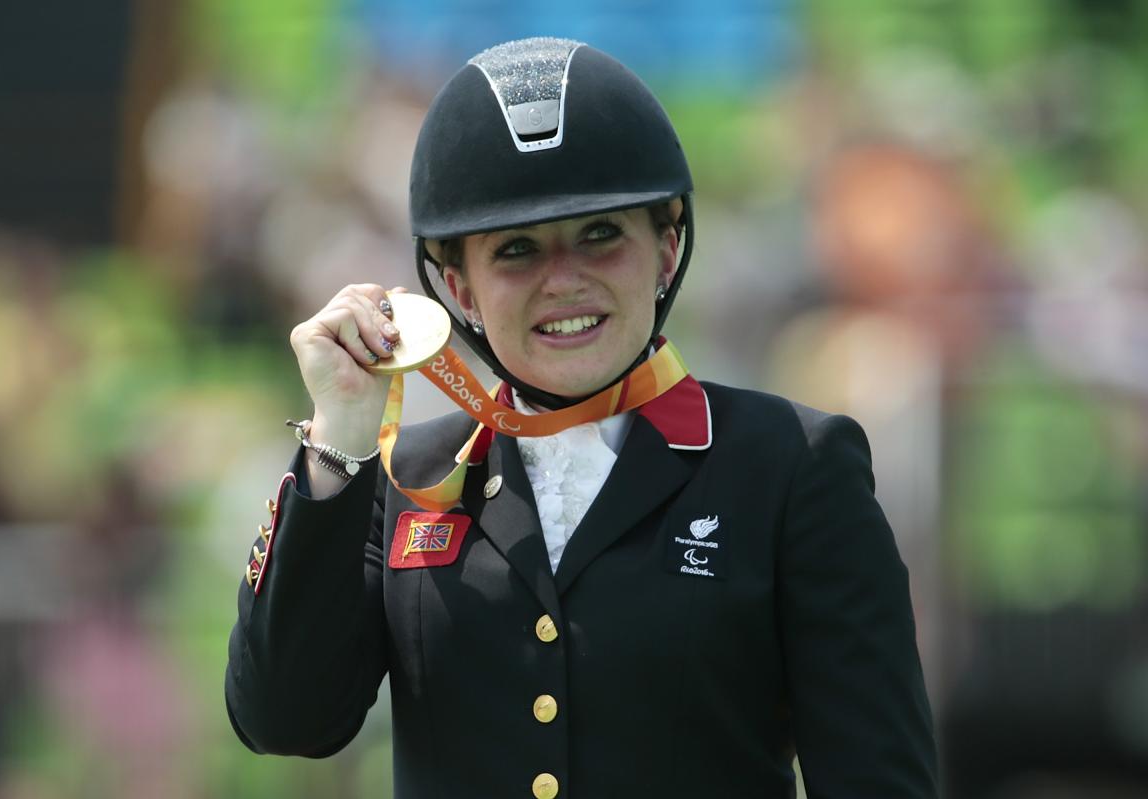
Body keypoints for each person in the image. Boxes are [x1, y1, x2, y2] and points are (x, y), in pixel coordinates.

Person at [226, 37, 938, 799]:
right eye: (517, 250)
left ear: (666, 249)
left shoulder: (792, 464)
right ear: (459, 289)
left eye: (601, 235)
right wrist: (338, 441)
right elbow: (284, 720)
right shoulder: (407, 478)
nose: (564, 281)